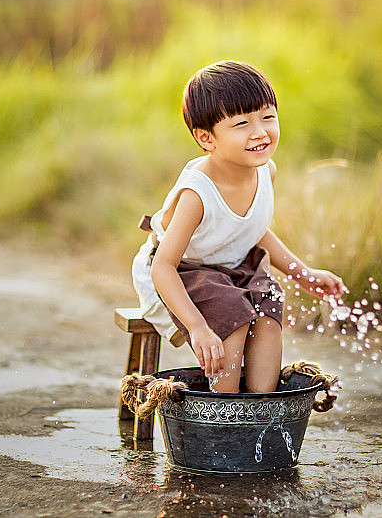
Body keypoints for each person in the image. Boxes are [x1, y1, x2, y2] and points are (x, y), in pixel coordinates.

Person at [132, 60, 346, 393]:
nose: (260, 132)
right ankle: (224, 410)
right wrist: (197, 326)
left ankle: (261, 409)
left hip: (232, 265)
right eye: (242, 123)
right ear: (206, 139)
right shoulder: (197, 193)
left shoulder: (266, 171)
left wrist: (305, 274)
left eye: (268, 117)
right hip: (180, 271)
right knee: (231, 318)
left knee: (268, 309)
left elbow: (252, 229)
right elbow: (163, 266)